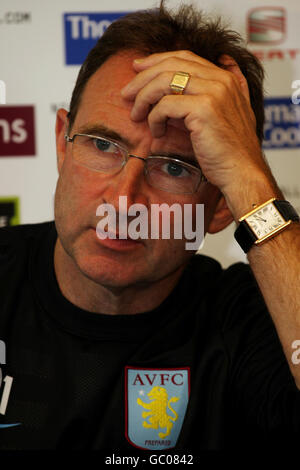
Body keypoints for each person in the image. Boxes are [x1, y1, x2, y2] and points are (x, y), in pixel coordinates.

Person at [0, 1, 299, 453]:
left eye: (175, 169)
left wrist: (249, 180)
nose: (123, 201)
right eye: (103, 144)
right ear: (62, 145)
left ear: (221, 206)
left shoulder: (253, 323)